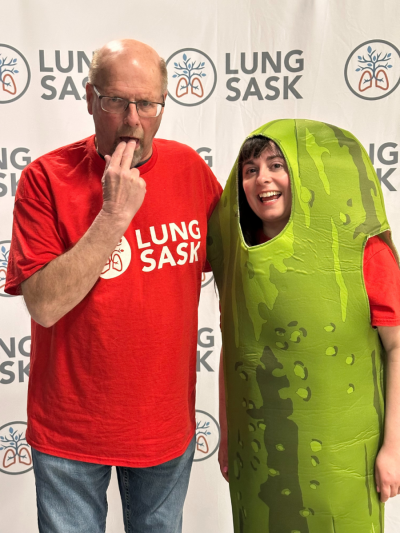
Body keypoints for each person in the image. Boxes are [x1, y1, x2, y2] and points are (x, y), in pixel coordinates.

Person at [5, 38, 221, 533]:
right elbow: (44, 305)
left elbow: (241, 266)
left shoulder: (190, 169)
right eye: (116, 101)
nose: (132, 120)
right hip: (70, 433)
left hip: (163, 427)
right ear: (89, 98)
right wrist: (113, 215)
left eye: (147, 104)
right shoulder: (44, 179)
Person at [207, 119, 400, 533]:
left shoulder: (363, 250)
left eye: (277, 165)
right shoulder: (239, 254)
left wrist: (393, 449)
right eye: (250, 170)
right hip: (258, 457)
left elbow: (398, 347)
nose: (263, 179)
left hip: (343, 457)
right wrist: (229, 433)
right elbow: (235, 347)